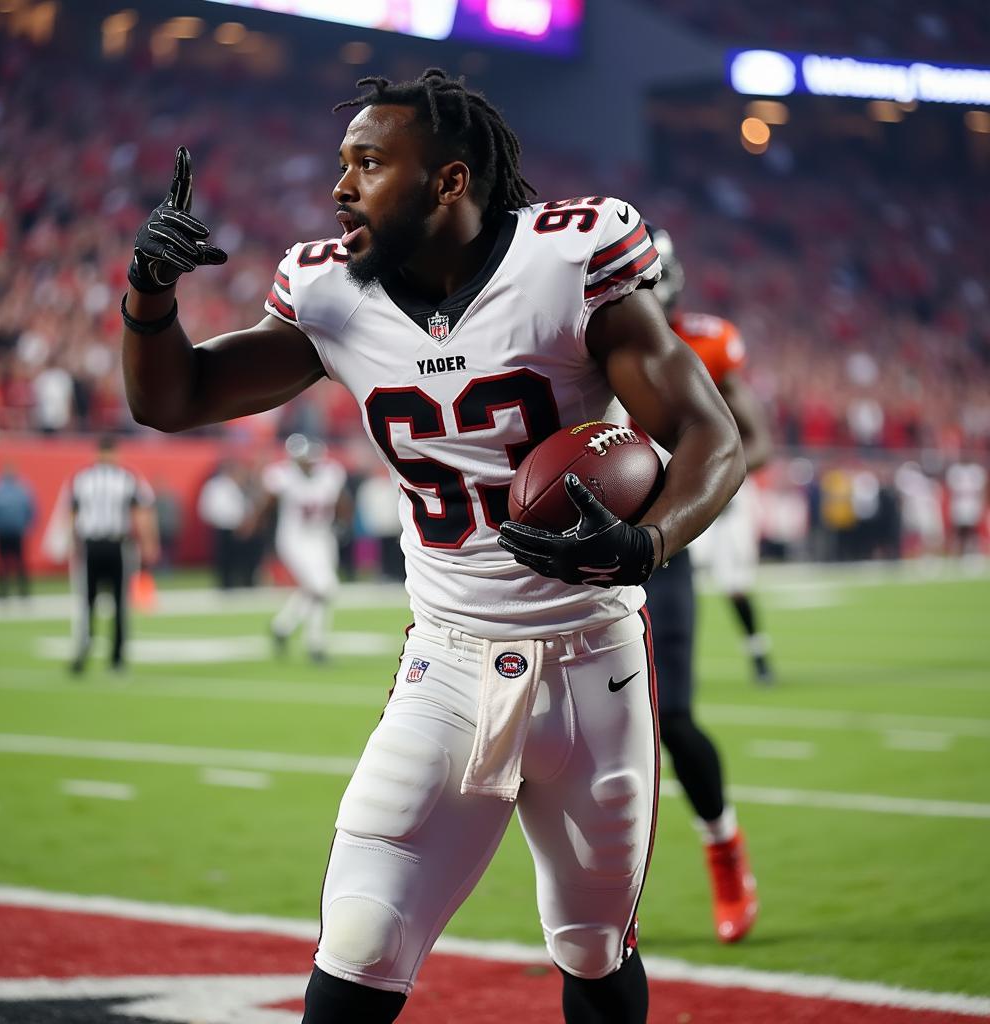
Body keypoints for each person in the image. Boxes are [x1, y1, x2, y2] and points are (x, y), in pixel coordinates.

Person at [121, 70, 743, 1024]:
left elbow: (711, 436)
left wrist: (648, 540)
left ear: (449, 183)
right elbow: (173, 399)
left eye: (368, 164)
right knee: (362, 943)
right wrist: (149, 297)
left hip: (592, 662)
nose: (340, 187)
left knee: (589, 943)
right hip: (446, 661)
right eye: (342, 163)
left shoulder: (567, 262)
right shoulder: (331, 290)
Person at [639, 226, 769, 945]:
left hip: (662, 548)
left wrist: (690, 488)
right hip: (579, 551)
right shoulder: (574, 339)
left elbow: (757, 439)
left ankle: (723, 847)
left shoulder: (705, 346)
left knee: (673, 718)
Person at [254, 433, 349, 662]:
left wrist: (344, 523)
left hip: (322, 538)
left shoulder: (331, 473)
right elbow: (266, 503)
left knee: (317, 589)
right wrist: (256, 524)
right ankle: (315, 645)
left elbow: (341, 501)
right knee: (324, 588)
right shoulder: (282, 476)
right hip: (294, 539)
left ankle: (282, 627)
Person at [69, 435, 158, 674]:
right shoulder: (85, 479)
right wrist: (74, 543)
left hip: (117, 545)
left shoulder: (123, 479)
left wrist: (147, 542)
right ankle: (84, 651)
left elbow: (139, 513)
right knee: (87, 603)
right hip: (93, 544)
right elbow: (74, 515)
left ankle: (116, 657)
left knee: (119, 603)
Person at [0, 462, 36, 600]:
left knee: (16, 564)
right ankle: (5, 592)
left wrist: (27, 526)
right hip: (4, 531)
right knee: (4, 564)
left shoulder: (20, 489)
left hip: (15, 531)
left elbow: (31, 510)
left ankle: (20, 592)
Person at [196, 460, 248, 589]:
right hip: (222, 528)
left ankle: (236, 584)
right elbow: (210, 508)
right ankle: (225, 585)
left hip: (237, 528)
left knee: (238, 560)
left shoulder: (235, 485)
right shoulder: (217, 485)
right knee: (224, 561)